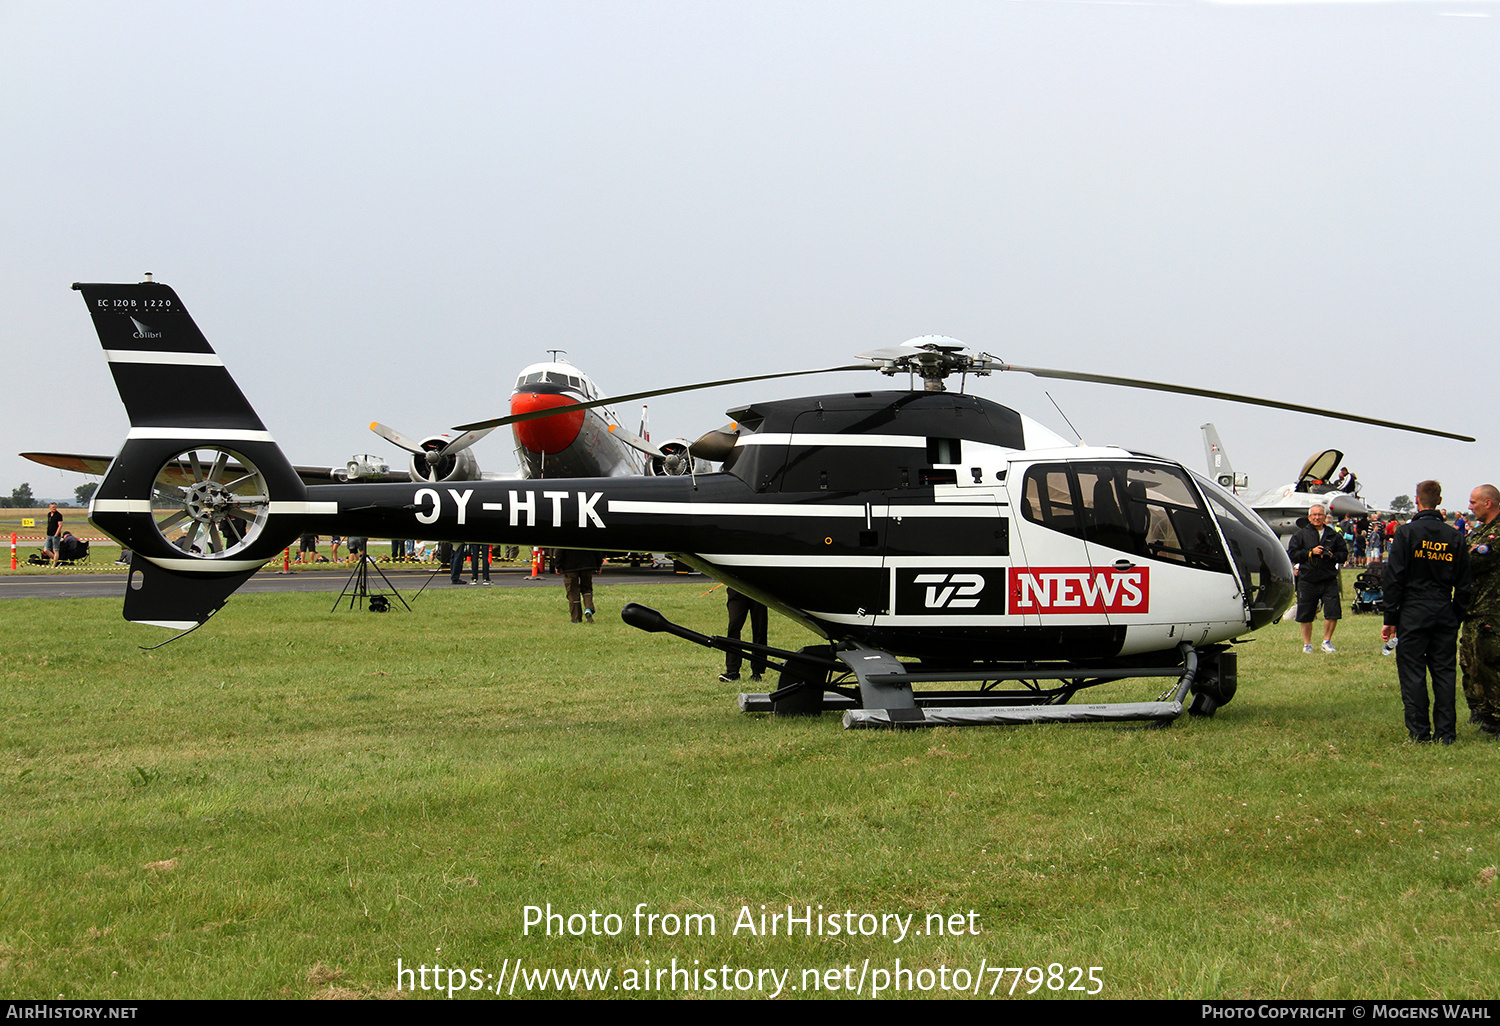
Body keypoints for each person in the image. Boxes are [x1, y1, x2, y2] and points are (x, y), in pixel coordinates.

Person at [1382, 481, 1472, 744]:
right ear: (1440, 501)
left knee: (1413, 672)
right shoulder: (1455, 536)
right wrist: (1456, 614)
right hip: (1444, 607)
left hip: (1413, 609)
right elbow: (1464, 584)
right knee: (1444, 672)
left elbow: (1394, 578)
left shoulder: (1406, 533)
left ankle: (1419, 733)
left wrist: (1391, 618)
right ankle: (1446, 734)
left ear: (1417, 500)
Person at [1461, 484, 1500, 736]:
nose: (1469, 506)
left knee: (1489, 663)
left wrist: (1465, 554)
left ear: (1488, 503)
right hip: (1473, 608)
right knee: (1470, 662)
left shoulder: (1496, 533)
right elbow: (1463, 550)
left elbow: (1473, 560)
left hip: (1491, 609)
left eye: (1473, 502)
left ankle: (1496, 716)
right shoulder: (1479, 532)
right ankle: (1481, 711)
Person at [1287, 504, 1348, 653]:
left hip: (1328, 578)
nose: (1317, 517)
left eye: (1320, 514)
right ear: (1309, 517)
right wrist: (1310, 552)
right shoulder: (1300, 535)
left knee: (1333, 612)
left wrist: (1333, 556)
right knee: (1306, 613)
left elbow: (1344, 555)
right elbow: (1292, 554)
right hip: (1308, 578)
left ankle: (1327, 641)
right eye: (1314, 515)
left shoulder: (1333, 535)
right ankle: (1307, 644)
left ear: (1325, 517)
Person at [720, 587, 768, 683]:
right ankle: (732, 670)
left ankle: (757, 671)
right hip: (736, 589)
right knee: (734, 626)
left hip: (758, 589)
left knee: (759, 629)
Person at [556, 549, 602, 622]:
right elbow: (597, 550)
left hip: (570, 566)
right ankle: (588, 608)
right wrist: (598, 564)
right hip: (588, 564)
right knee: (587, 589)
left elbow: (559, 551)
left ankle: (576, 618)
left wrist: (558, 565)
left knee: (572, 591)